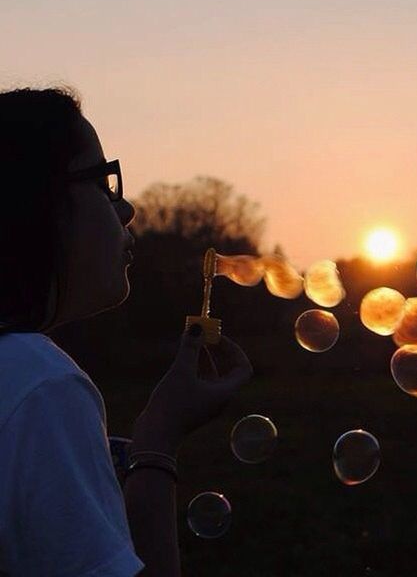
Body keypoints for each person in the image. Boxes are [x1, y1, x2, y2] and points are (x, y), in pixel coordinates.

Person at [0, 87, 253, 576]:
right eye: (102, 183)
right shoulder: (38, 384)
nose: (127, 209)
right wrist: (158, 442)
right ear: (35, 201)